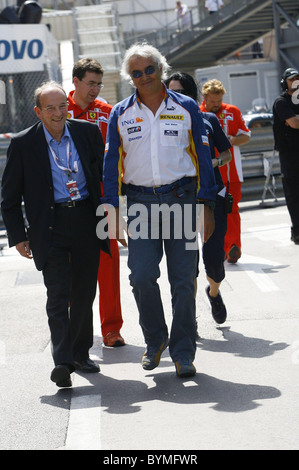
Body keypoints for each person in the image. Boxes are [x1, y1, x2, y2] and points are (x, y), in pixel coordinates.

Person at [102, 43, 218, 378]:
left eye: (149, 69)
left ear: (160, 69)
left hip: (182, 198)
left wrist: (207, 205)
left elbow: (204, 158)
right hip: (139, 204)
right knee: (140, 277)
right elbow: (111, 166)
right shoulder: (119, 113)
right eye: (136, 73)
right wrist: (111, 211)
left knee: (184, 280)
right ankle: (155, 341)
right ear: (130, 78)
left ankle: (183, 352)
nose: (144, 77)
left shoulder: (186, 107)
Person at [1, 81, 110, 388]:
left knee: (84, 292)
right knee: (58, 295)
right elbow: (8, 198)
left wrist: (112, 217)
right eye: (50, 108)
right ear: (38, 111)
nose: (58, 113)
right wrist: (19, 236)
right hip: (50, 226)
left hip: (87, 220)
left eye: (63, 106)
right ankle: (62, 361)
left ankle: (80, 353)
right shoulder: (24, 143)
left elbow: (103, 177)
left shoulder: (87, 133)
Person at [165, 72, 232, 324]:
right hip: (180, 196)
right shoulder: (163, 123)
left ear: (192, 94)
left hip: (212, 194)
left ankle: (213, 292)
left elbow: (226, 154)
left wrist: (209, 163)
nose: (175, 97)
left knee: (214, 260)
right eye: (171, 92)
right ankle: (188, 317)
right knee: (186, 262)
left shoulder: (208, 119)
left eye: (181, 92)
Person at [67, 57, 125, 348]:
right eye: (90, 83)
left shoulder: (107, 112)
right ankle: (78, 333)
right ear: (75, 81)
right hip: (70, 201)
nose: (95, 89)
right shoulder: (58, 111)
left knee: (109, 265)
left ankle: (111, 329)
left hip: (104, 202)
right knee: (74, 272)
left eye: (99, 84)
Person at [200, 79, 251, 263]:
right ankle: (218, 248)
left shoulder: (232, 111)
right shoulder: (197, 113)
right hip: (208, 176)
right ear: (204, 97)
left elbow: (246, 136)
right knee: (211, 213)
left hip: (232, 174)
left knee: (232, 210)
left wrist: (230, 140)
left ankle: (233, 247)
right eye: (213, 102)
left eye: (219, 101)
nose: (216, 105)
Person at [272, 67, 299, 245]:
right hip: (290, 155)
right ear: (285, 82)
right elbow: (295, 123)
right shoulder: (281, 102)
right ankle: (297, 231)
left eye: (298, 78)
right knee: (294, 194)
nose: (296, 82)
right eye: (291, 79)